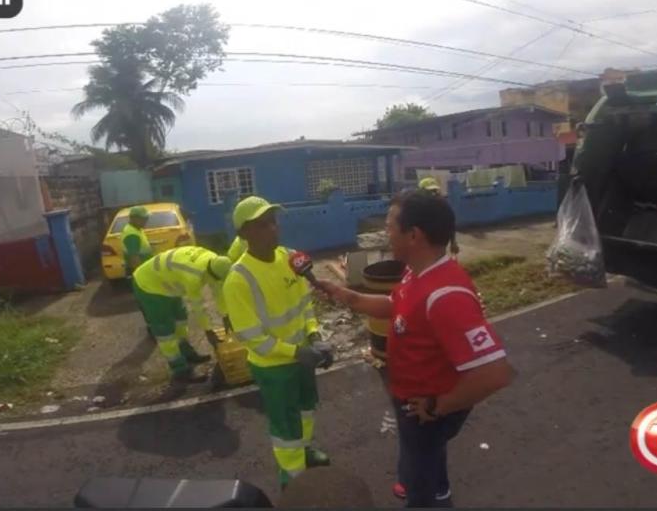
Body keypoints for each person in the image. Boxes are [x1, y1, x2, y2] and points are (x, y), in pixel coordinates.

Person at [316, 190, 515, 508]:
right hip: (412, 400)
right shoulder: (416, 272)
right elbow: (395, 306)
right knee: (423, 458)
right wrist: (347, 296)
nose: (385, 234)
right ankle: (437, 488)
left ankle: (425, 493)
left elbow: (495, 373)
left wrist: (438, 406)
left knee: (419, 477)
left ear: (413, 235)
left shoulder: (446, 295)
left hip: (426, 409)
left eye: (389, 226)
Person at [222, 195, 335, 488]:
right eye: (262, 225)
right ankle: (293, 478)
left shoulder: (290, 259)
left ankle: (306, 450)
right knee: (285, 426)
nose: (272, 228)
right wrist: (296, 352)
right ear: (243, 234)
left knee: (307, 408)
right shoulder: (238, 279)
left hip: (303, 356)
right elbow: (253, 339)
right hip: (274, 367)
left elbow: (304, 305)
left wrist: (314, 335)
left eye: (273, 221)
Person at [132, 245, 233, 383]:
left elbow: (218, 291)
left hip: (167, 281)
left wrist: (226, 315)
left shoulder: (215, 260)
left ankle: (186, 352)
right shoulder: (192, 276)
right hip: (149, 285)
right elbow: (198, 307)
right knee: (165, 331)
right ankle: (180, 371)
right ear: (209, 273)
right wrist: (209, 331)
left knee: (181, 320)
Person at [418, 177, 460, 258]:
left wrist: (453, 242)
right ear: (421, 191)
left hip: (438, 244)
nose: (433, 194)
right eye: (429, 191)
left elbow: (450, 222)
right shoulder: (416, 206)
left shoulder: (442, 205)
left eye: (434, 191)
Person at [121, 206, 155, 278]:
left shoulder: (137, 229)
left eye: (146, 218)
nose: (146, 220)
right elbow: (134, 259)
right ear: (134, 218)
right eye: (144, 218)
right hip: (139, 272)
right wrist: (143, 275)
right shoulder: (131, 234)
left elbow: (139, 246)